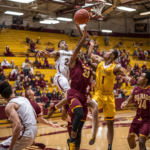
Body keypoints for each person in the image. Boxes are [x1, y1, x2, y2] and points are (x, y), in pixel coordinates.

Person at [47, 25, 98, 149]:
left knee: (80, 126)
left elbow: (96, 73)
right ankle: (60, 109)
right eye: (77, 50)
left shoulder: (85, 64)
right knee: (77, 110)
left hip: (82, 95)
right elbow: (79, 45)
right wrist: (83, 35)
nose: (78, 51)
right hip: (69, 87)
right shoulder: (73, 60)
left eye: (80, 51)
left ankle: (75, 144)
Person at [87, 40, 131, 150]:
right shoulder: (100, 61)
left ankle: (109, 146)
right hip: (99, 93)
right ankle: (93, 135)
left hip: (109, 97)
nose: (105, 52)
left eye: (108, 52)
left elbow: (124, 74)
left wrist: (127, 77)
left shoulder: (116, 67)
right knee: (94, 107)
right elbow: (89, 55)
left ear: (112, 56)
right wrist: (91, 46)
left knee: (110, 123)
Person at [0, 81, 37, 150]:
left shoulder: (9, 106)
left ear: (2, 96)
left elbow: (17, 125)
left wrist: (11, 148)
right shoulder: (24, 99)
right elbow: (34, 116)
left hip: (26, 133)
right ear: (13, 90)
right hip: (34, 131)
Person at [121, 71, 150, 150]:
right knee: (130, 141)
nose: (139, 78)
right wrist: (125, 103)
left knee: (141, 141)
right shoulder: (134, 90)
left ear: (146, 79)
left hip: (147, 119)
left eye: (141, 76)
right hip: (137, 118)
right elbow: (128, 100)